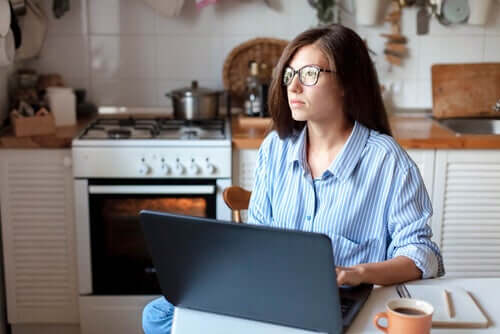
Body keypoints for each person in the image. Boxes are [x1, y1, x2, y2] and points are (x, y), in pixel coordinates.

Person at [142, 24, 444, 334]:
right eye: (289, 74)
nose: (294, 87)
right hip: (273, 292)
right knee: (157, 316)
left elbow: (421, 254)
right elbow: (257, 235)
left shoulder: (387, 160)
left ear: (346, 83)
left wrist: (359, 273)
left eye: (309, 74)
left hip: (343, 301)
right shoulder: (276, 147)